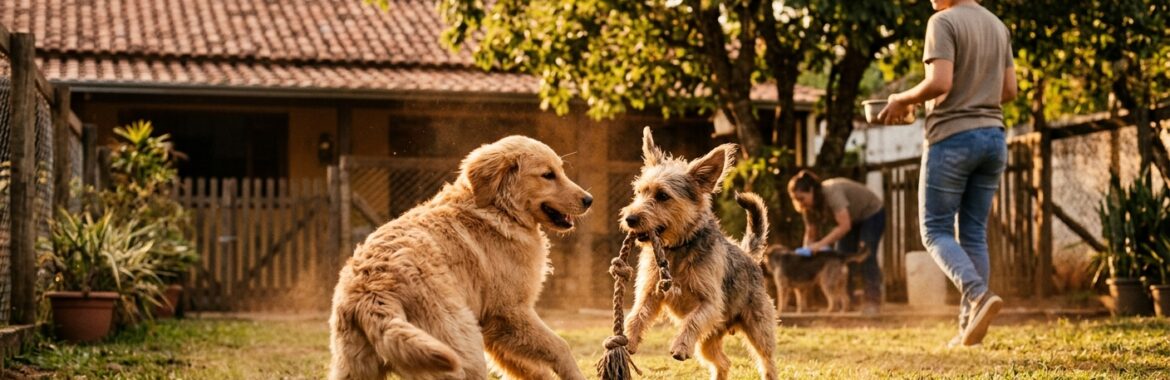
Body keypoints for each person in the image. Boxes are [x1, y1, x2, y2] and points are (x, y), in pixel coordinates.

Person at [877, 0, 1017, 348]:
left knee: (935, 230)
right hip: (994, 138)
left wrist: (901, 99)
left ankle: (977, 294)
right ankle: (969, 329)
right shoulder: (998, 26)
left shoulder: (943, 21)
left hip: (953, 138)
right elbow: (1009, 91)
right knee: (973, 233)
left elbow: (940, 81)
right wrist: (976, 93)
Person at [788, 170, 886, 315]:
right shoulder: (808, 207)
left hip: (871, 213)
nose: (799, 203)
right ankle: (849, 303)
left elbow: (844, 225)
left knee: (866, 255)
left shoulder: (832, 192)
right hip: (852, 218)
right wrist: (807, 253)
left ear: (812, 190)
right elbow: (810, 233)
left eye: (801, 198)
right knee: (841, 257)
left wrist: (820, 245)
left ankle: (873, 302)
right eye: (796, 199)